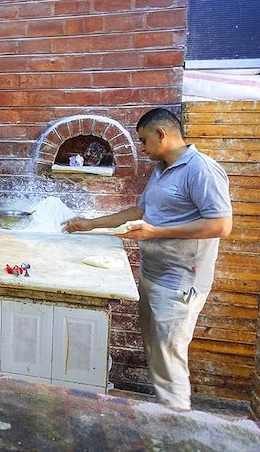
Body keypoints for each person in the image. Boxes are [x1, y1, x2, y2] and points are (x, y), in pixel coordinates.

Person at [63, 108, 232, 411]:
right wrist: (90, 223)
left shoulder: (202, 169)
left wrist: (156, 231)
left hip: (181, 283)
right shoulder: (162, 169)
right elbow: (141, 211)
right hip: (153, 275)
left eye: (143, 141)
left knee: (170, 361)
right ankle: (165, 417)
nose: (142, 148)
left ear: (161, 134)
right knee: (157, 355)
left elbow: (221, 225)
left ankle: (176, 421)